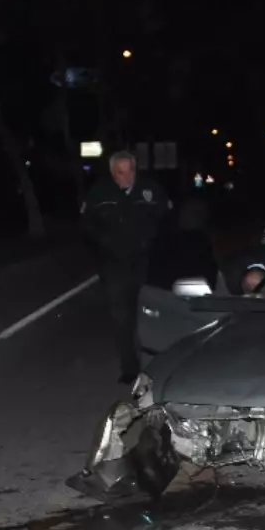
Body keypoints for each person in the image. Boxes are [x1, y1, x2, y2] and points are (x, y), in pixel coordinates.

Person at [82, 151, 169, 384]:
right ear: (113, 173)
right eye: (120, 172)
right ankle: (129, 367)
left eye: (129, 170)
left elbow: (166, 219)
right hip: (114, 263)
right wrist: (105, 241)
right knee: (121, 318)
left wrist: (151, 241)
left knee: (149, 314)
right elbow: (87, 224)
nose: (126, 177)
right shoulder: (100, 193)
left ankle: (153, 365)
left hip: (146, 262)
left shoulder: (150, 190)